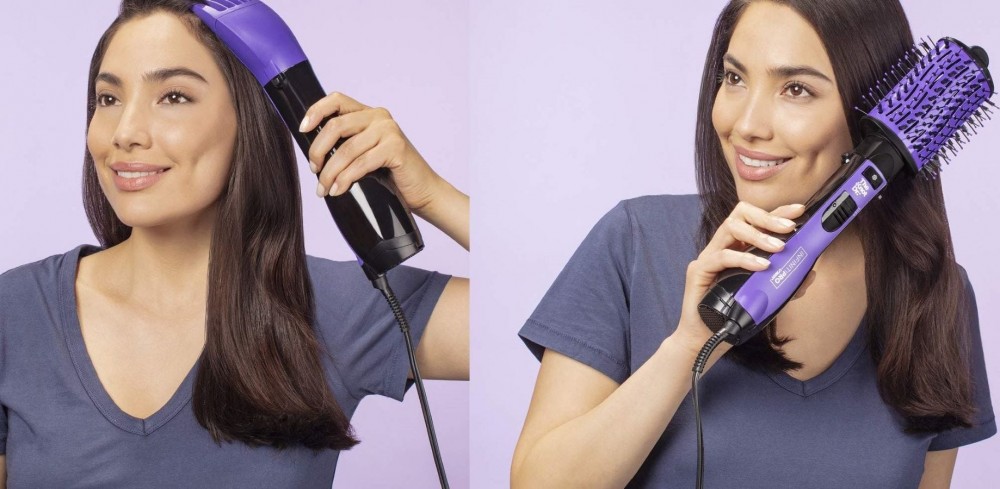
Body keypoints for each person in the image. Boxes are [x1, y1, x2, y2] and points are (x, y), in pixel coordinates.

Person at [511, 0, 995, 487]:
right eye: (735, 78)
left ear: (870, 110)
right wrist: (688, 346)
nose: (746, 125)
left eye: (796, 89)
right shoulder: (635, 242)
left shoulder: (935, 295)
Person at [0, 1, 468, 487]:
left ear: (249, 117)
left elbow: (542, 314)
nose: (124, 133)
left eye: (174, 96)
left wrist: (435, 196)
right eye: (108, 99)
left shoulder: (337, 308)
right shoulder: (15, 314)